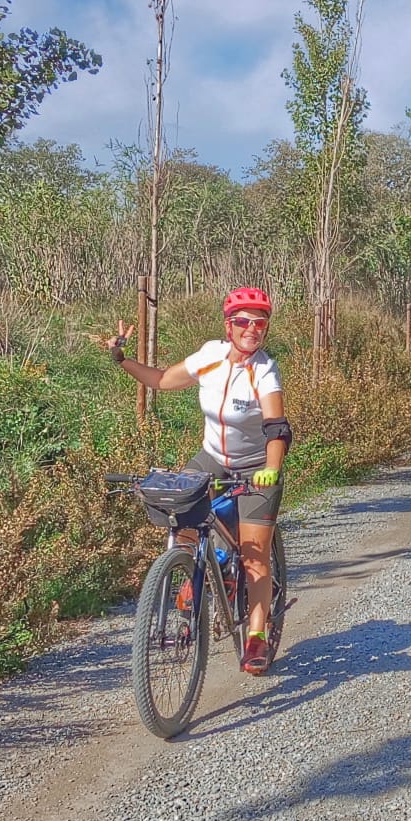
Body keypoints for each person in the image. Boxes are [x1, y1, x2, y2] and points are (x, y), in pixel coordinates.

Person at [97, 287, 290, 674]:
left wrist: (271, 468)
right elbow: (161, 380)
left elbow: (277, 428)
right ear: (228, 326)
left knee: (254, 555)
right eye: (243, 321)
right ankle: (191, 568)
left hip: (256, 465)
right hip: (212, 458)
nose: (252, 329)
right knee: (179, 511)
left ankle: (256, 635)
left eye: (260, 323)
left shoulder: (265, 371)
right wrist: (121, 359)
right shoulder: (209, 356)